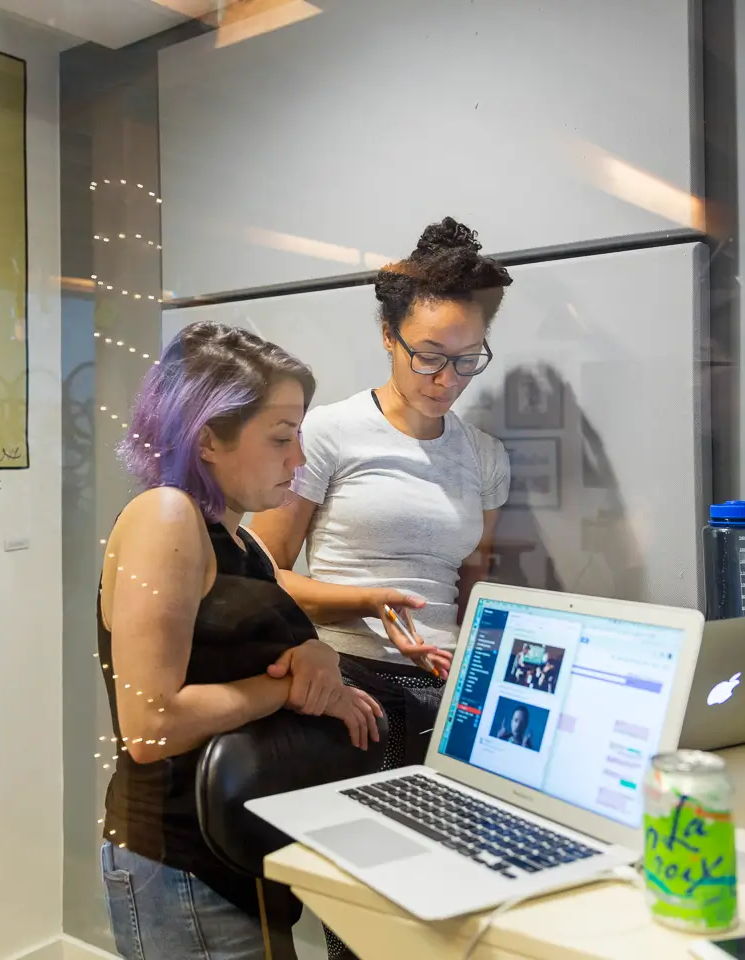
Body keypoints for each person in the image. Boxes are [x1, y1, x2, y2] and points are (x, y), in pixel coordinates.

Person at [249, 218, 512, 959]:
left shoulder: (484, 456)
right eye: (429, 356)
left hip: (452, 695)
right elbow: (262, 577)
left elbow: (475, 581)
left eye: (467, 362)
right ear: (388, 336)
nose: (446, 380)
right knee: (364, 922)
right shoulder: (328, 433)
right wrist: (365, 601)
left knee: (447, 916)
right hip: (354, 693)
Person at [98, 321, 385, 960]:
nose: (299, 458)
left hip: (235, 853)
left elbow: (248, 640)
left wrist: (318, 653)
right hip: (181, 862)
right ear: (208, 439)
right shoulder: (165, 517)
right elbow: (150, 726)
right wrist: (284, 690)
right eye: (282, 438)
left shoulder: (238, 537)